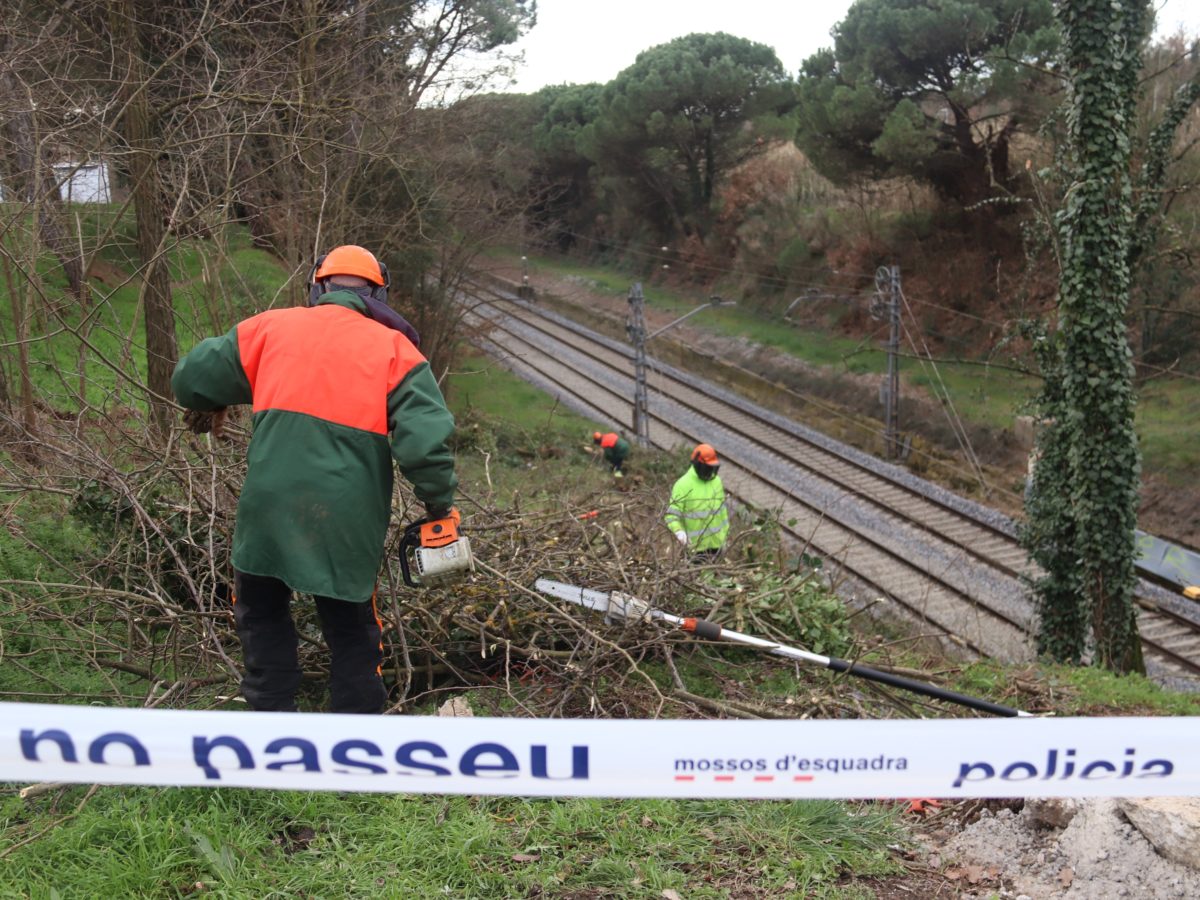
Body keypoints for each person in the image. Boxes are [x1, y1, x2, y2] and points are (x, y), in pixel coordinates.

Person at [171, 244, 458, 714]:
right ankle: (353, 740)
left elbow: (190, 380)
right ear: (379, 293)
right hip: (346, 516)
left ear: (318, 285)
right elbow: (424, 443)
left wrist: (252, 382)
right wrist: (438, 504)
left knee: (261, 613)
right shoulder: (396, 351)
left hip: (268, 507)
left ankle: (271, 721)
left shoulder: (268, 329)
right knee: (351, 630)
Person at [664, 443, 729, 559]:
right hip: (694, 549)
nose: (710, 471)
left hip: (716, 546)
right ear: (698, 465)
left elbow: (722, 512)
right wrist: (679, 532)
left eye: (711, 468)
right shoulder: (683, 485)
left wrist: (725, 536)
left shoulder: (717, 482)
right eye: (707, 468)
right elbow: (671, 515)